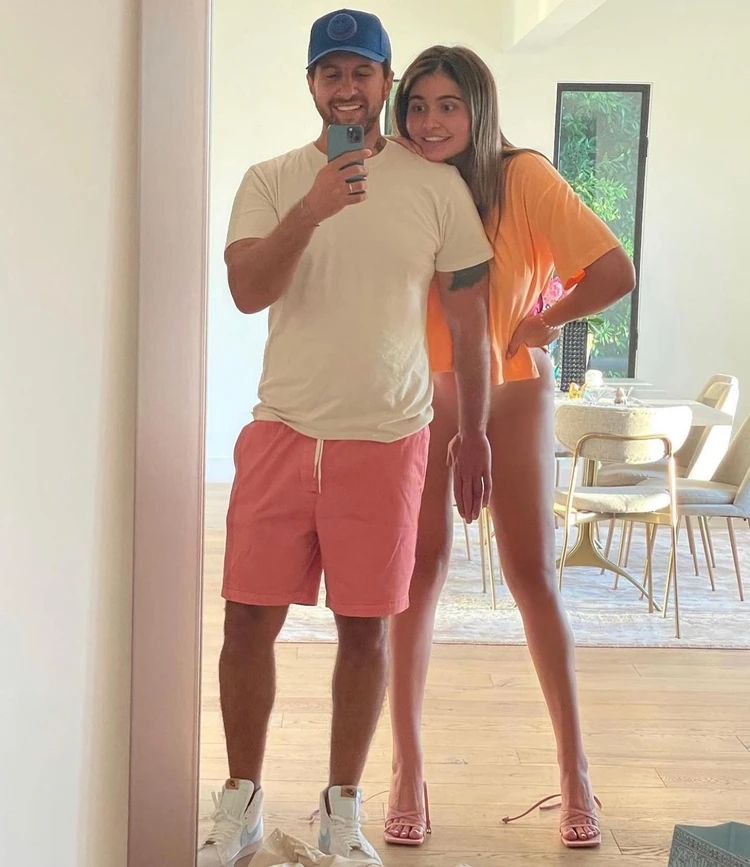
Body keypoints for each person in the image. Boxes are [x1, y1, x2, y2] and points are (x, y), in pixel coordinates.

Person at [198, 14, 495, 867]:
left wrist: (473, 432)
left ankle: (342, 812)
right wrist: (312, 209)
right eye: (330, 73)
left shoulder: (435, 186)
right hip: (283, 430)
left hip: (389, 438)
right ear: (311, 85)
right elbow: (247, 289)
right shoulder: (271, 180)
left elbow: (469, 322)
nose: (347, 88)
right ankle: (241, 804)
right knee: (247, 619)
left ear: (385, 82)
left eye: (361, 72)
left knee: (366, 631)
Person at [384, 46, 636, 850]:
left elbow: (614, 270)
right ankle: (407, 769)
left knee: (531, 576)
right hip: (421, 392)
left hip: (514, 387)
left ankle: (575, 774)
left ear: (479, 109)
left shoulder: (522, 177)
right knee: (416, 574)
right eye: (417, 105)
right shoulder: (403, 180)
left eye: (448, 105)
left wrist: (545, 321)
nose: (430, 121)